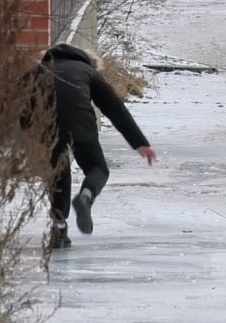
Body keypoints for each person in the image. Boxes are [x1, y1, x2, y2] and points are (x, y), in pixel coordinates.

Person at [21, 44, 156, 249]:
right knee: (97, 168)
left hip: (47, 127)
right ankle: (86, 196)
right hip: (81, 125)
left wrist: (31, 132)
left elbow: (20, 105)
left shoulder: (36, 72)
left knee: (58, 172)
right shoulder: (88, 71)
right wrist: (140, 143)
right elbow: (115, 109)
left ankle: (58, 227)